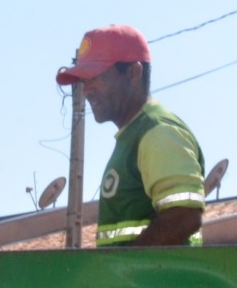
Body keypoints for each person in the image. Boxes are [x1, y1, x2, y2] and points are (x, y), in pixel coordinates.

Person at [56, 25, 206, 247]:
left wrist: (123, 272)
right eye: (84, 81)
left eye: (96, 77)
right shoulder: (135, 135)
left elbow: (184, 217)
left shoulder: (158, 132)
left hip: (156, 282)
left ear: (134, 73)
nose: (86, 90)